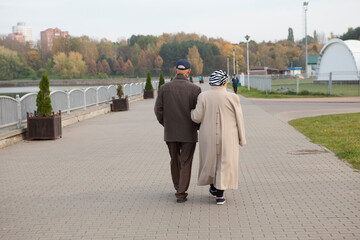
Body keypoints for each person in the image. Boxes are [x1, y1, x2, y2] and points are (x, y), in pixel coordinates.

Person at [191, 70, 246, 205]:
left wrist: (191, 112)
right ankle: (220, 194)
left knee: (210, 160)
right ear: (225, 82)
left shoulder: (203, 96)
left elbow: (196, 117)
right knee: (225, 161)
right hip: (229, 135)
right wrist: (242, 138)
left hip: (207, 135)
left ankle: (213, 186)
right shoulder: (233, 97)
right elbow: (240, 119)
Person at [154, 59, 201, 203]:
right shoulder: (195, 89)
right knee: (186, 162)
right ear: (188, 71)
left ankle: (178, 187)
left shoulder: (163, 88)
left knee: (175, 160)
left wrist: (166, 124)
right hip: (189, 133)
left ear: (175, 70)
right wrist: (196, 127)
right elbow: (198, 112)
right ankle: (181, 192)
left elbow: (158, 110)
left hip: (171, 133)